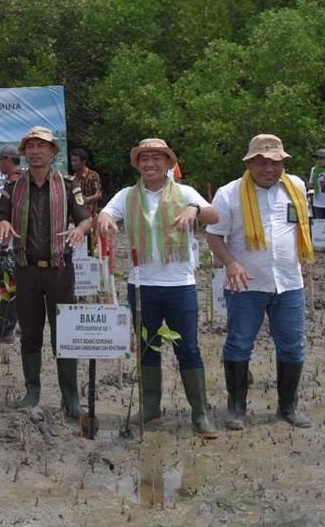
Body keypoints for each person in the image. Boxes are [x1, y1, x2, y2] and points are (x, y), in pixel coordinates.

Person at [95, 138, 219, 438]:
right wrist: (105, 218)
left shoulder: (186, 193)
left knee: (187, 348)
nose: (150, 164)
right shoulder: (127, 195)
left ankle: (200, 413)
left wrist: (194, 211)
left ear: (168, 164)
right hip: (141, 286)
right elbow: (106, 214)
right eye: (144, 159)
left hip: (179, 285)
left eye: (157, 158)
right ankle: (150, 407)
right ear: (138, 164)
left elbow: (215, 215)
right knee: (147, 349)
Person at [207, 134, 314, 429]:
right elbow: (213, 234)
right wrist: (230, 263)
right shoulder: (229, 193)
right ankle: (237, 408)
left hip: (289, 282)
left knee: (292, 346)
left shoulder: (297, 188)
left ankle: (288, 408)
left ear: (283, 162)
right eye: (261, 162)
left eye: (275, 162)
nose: (268, 168)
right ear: (249, 163)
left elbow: (300, 227)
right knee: (240, 344)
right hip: (246, 285)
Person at [0, 128, 91, 418]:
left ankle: (70, 395)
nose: (36, 151)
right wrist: (2, 225)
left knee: (65, 334)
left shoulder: (69, 185)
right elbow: (0, 216)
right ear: (24, 152)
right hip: (26, 270)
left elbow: (86, 220)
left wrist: (79, 229)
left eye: (42, 146)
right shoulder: (12, 187)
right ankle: (32, 390)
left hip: (60, 271)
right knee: (30, 334)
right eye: (30, 146)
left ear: (53, 152)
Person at [0, 145, 23, 344]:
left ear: (8, 160)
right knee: (14, 288)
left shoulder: (15, 183)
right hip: (16, 245)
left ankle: (5, 332)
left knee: (9, 289)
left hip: (12, 245)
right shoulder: (21, 180)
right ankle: (13, 327)